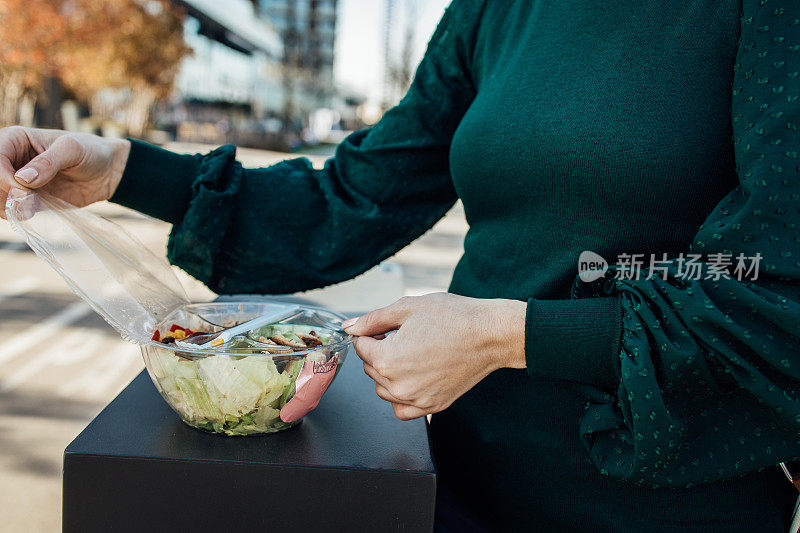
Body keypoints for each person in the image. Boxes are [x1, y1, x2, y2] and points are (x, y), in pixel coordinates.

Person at [2, 0, 800, 530]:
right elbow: (352, 199)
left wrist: (503, 334)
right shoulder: (496, 8)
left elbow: (778, 300)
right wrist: (125, 171)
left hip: (660, 504)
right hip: (455, 487)